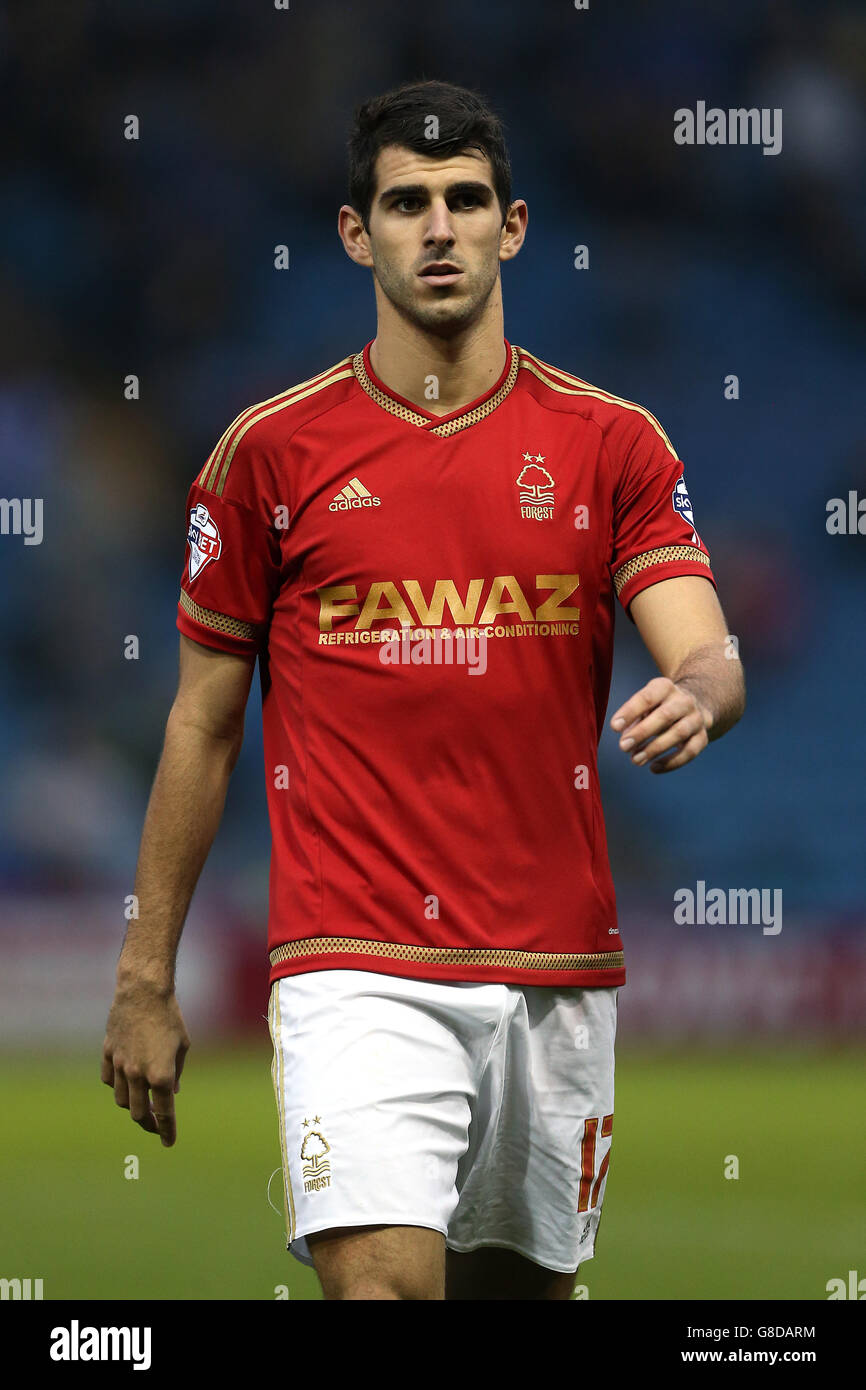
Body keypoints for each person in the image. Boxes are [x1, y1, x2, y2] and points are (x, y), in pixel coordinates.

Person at [102, 78, 746, 1301]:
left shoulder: (612, 444)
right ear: (356, 234)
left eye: (463, 200)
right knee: (382, 1286)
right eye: (405, 203)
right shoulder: (269, 455)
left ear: (511, 225)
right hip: (353, 958)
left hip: (554, 967)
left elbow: (704, 650)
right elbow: (200, 723)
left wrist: (702, 694)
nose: (436, 227)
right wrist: (144, 975)